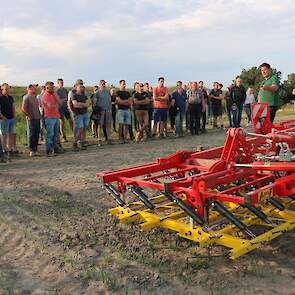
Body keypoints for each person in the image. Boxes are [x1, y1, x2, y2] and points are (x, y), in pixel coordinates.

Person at [42, 81, 62, 156]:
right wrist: (56, 104)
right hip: (49, 117)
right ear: (47, 88)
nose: (54, 88)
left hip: (56, 116)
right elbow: (50, 106)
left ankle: (55, 148)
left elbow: (59, 103)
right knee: (50, 134)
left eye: (53, 87)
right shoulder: (45, 95)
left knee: (55, 134)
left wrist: (55, 95)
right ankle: (49, 150)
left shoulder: (53, 94)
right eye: (52, 87)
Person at [22, 84, 41, 157]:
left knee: (37, 133)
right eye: (33, 88)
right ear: (29, 89)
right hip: (31, 118)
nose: (35, 89)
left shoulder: (35, 97)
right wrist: (28, 115)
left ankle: (35, 149)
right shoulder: (26, 97)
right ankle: (31, 150)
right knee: (32, 134)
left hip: (37, 117)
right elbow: (23, 108)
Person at [92, 80, 112, 146]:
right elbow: (94, 103)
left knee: (107, 125)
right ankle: (99, 140)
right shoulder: (97, 93)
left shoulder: (107, 92)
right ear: (99, 84)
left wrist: (110, 109)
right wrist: (96, 111)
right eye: (102, 84)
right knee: (100, 125)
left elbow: (109, 101)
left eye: (104, 84)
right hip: (100, 111)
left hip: (108, 110)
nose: (104, 85)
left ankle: (108, 139)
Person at [71, 84, 90, 150]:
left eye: (82, 87)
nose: (82, 88)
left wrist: (81, 104)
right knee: (80, 129)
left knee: (84, 129)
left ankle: (82, 142)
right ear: (76, 88)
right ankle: (75, 143)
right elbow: (75, 105)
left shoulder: (84, 96)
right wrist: (83, 104)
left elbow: (88, 104)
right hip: (78, 114)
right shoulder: (74, 95)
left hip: (85, 113)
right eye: (80, 87)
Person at [0, 83, 16, 159]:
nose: (7, 90)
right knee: (4, 135)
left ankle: (9, 150)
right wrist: (2, 117)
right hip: (3, 119)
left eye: (8, 89)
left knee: (11, 134)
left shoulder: (10, 97)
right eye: (5, 89)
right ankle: (4, 150)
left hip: (11, 118)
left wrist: (14, 115)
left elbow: (13, 107)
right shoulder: (0, 98)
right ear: (2, 89)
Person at [56, 78, 72, 142]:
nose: (62, 83)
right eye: (61, 82)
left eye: (62, 82)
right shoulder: (56, 91)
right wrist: (65, 99)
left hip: (66, 107)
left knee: (70, 120)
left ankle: (75, 134)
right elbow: (58, 100)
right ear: (58, 83)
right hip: (60, 108)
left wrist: (66, 99)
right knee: (62, 122)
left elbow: (69, 98)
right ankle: (63, 136)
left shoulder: (65, 90)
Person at [116, 80, 132, 144]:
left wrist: (123, 102)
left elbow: (130, 102)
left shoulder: (128, 93)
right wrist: (126, 101)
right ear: (120, 84)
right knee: (121, 124)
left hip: (127, 110)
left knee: (127, 125)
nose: (124, 85)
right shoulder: (118, 92)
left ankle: (125, 138)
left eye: (125, 84)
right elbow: (118, 101)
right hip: (121, 110)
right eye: (123, 84)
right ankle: (120, 138)